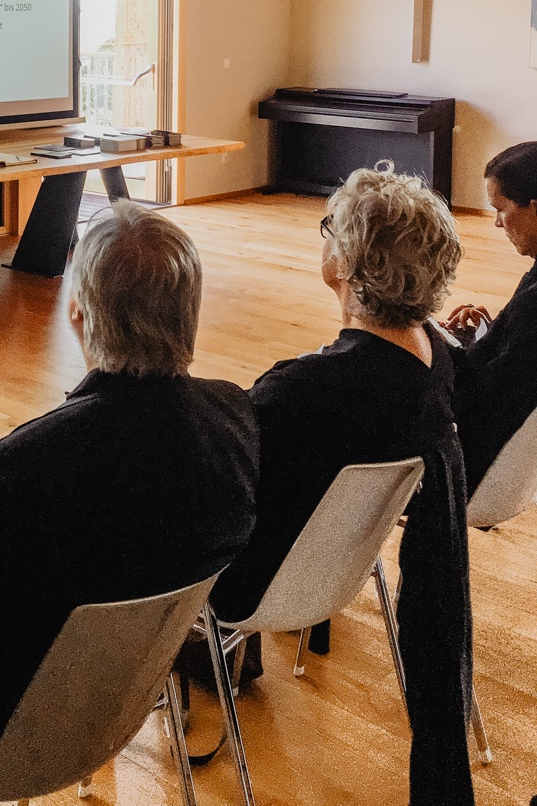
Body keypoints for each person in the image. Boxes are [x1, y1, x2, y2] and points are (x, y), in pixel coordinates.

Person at [0, 200, 259, 803]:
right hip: (122, 711)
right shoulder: (236, 419)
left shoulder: (20, 471)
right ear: (190, 311)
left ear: (77, 311)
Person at [212, 165, 473, 806]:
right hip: (336, 573)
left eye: (330, 228)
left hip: (258, 584)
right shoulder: (437, 362)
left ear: (351, 265)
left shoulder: (303, 390)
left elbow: (223, 476)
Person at [444, 141, 537, 494]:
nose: (497, 223)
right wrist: (491, 331)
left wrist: (427, 342)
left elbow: (479, 398)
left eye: (501, 209)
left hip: (474, 468)